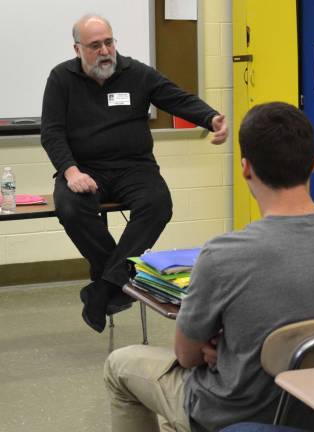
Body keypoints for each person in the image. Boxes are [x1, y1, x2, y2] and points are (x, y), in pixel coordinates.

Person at [103, 101, 314, 432]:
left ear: (245, 168)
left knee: (119, 366)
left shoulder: (222, 256)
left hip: (227, 412)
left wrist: (220, 344)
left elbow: (187, 357)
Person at [40, 14, 229, 333]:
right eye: (95, 45)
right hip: (84, 169)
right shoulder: (61, 79)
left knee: (158, 204)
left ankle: (103, 290)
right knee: (71, 207)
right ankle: (118, 280)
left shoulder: (136, 72)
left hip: (134, 167)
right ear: (77, 49)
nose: (105, 51)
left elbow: (176, 98)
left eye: (109, 42)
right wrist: (71, 172)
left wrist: (211, 118)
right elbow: (52, 133)